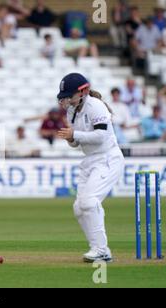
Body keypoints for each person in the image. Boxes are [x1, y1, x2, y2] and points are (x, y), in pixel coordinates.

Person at [56, 73, 125, 263]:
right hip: (90, 160)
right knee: (79, 207)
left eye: (70, 95)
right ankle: (97, 248)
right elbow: (76, 143)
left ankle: (102, 250)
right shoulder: (72, 110)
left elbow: (101, 136)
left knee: (89, 201)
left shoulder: (95, 106)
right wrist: (71, 138)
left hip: (108, 158)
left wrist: (75, 134)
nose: (67, 99)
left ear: (84, 91)